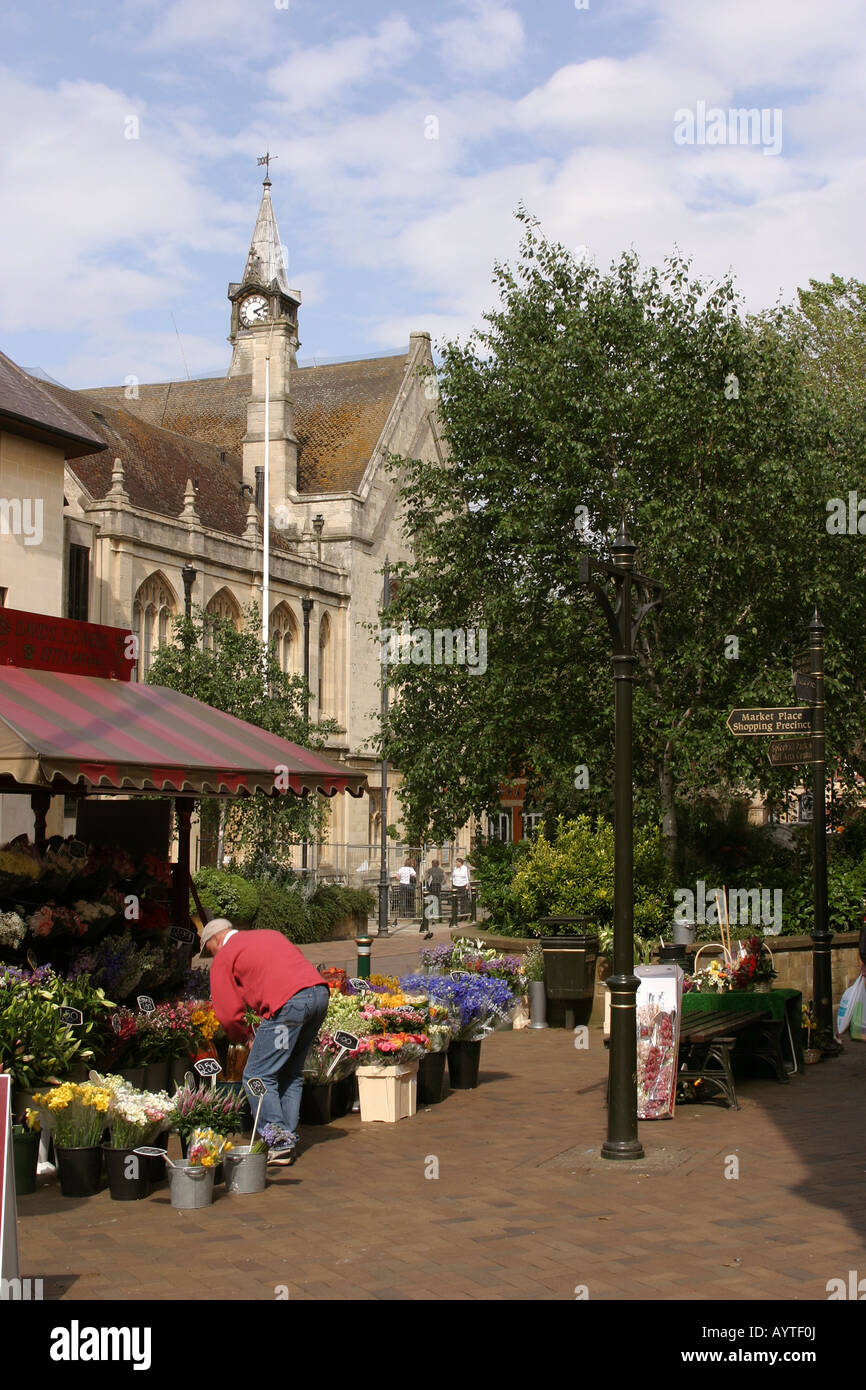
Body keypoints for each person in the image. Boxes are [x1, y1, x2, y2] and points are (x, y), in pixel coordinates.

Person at [202, 917, 330, 1164]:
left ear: (216, 939)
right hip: (318, 994)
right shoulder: (268, 935)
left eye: (209, 950)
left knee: (257, 1075)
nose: (211, 956)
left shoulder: (225, 955)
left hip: (289, 1004)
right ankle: (286, 1139)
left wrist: (242, 1036)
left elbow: (227, 1012)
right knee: (289, 1071)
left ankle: (277, 1141)